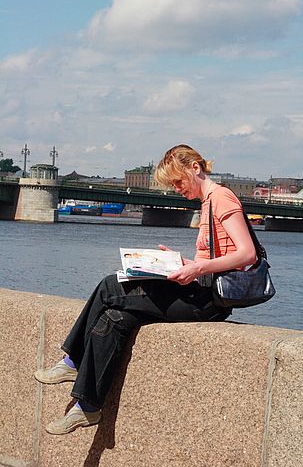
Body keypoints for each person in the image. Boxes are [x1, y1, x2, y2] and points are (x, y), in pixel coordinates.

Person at [34, 144, 257, 435]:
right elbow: (210, 260)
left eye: (178, 181)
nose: (176, 189)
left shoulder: (222, 197)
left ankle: (73, 360)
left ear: (196, 168)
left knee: (110, 286)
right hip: (200, 289)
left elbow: (247, 254)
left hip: (210, 301)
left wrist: (196, 268)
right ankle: (87, 407)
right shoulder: (207, 203)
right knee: (115, 317)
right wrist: (179, 262)